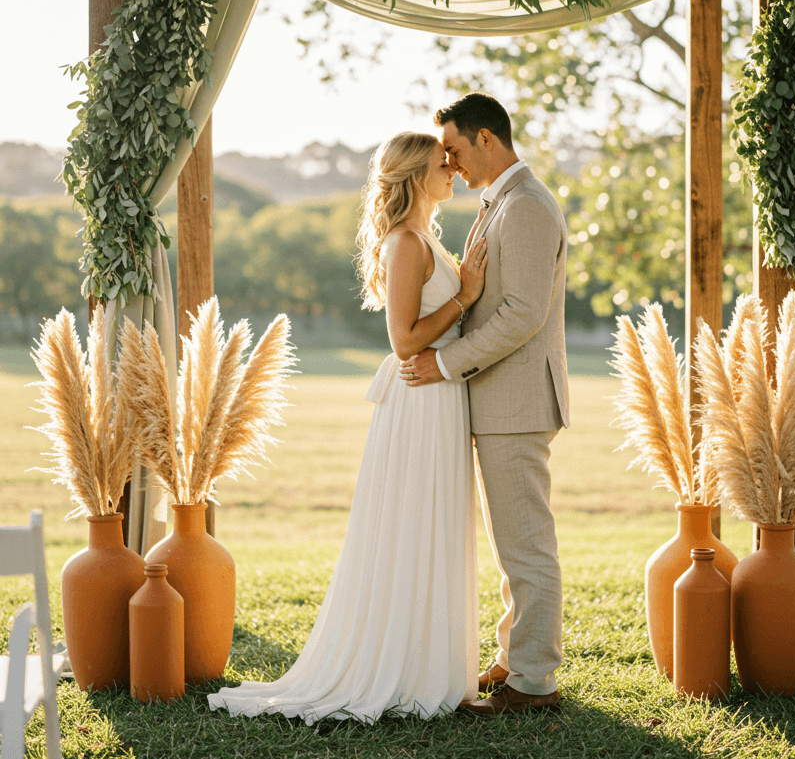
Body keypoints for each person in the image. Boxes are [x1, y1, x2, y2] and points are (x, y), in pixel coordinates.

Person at [208, 131, 487, 724]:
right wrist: (464, 298)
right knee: (413, 524)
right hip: (420, 398)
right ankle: (400, 671)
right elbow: (406, 340)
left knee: (435, 524)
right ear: (415, 175)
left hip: (441, 397)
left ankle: (429, 667)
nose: (453, 172)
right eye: (443, 164)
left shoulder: (426, 237)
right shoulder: (406, 243)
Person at [399, 93, 569, 716]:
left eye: (455, 148)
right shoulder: (502, 202)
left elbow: (522, 313)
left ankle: (534, 683)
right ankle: (513, 656)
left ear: (487, 140)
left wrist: (444, 362)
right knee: (511, 542)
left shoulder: (525, 206)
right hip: (500, 399)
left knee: (526, 544)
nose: (450, 161)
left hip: (517, 400)